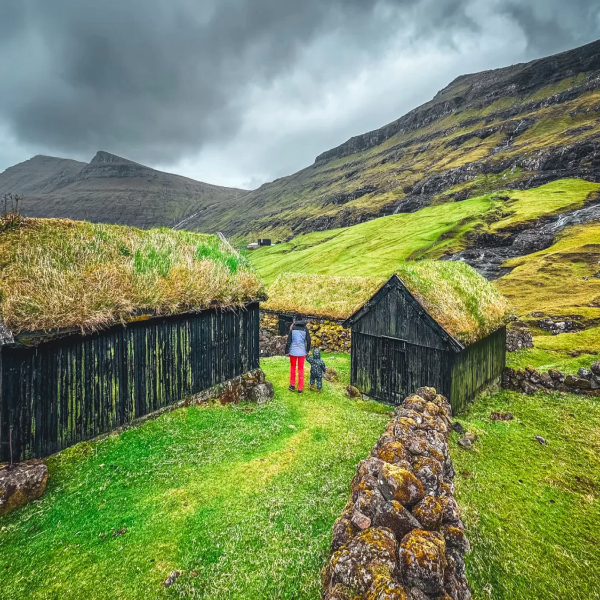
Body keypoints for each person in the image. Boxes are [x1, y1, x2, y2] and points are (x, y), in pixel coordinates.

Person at [285, 315, 311, 393]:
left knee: (293, 367)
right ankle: (300, 388)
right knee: (301, 369)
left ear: (295, 320)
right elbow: (309, 341)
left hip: (293, 351)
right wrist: (307, 350)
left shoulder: (292, 328)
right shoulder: (305, 329)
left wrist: (287, 351)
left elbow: (288, 341)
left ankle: (292, 385)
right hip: (302, 352)